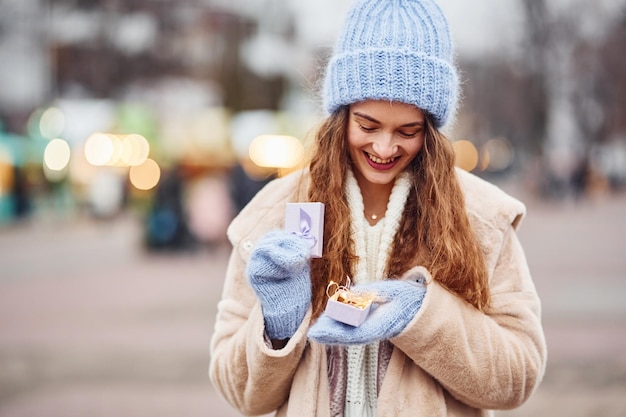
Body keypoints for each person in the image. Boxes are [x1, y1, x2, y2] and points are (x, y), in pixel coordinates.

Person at [209, 0, 547, 416]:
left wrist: (421, 316)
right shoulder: (274, 213)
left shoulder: (481, 219)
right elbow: (240, 393)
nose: (385, 148)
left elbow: (518, 378)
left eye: (408, 131)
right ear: (341, 115)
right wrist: (278, 325)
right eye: (367, 126)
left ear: (432, 129)